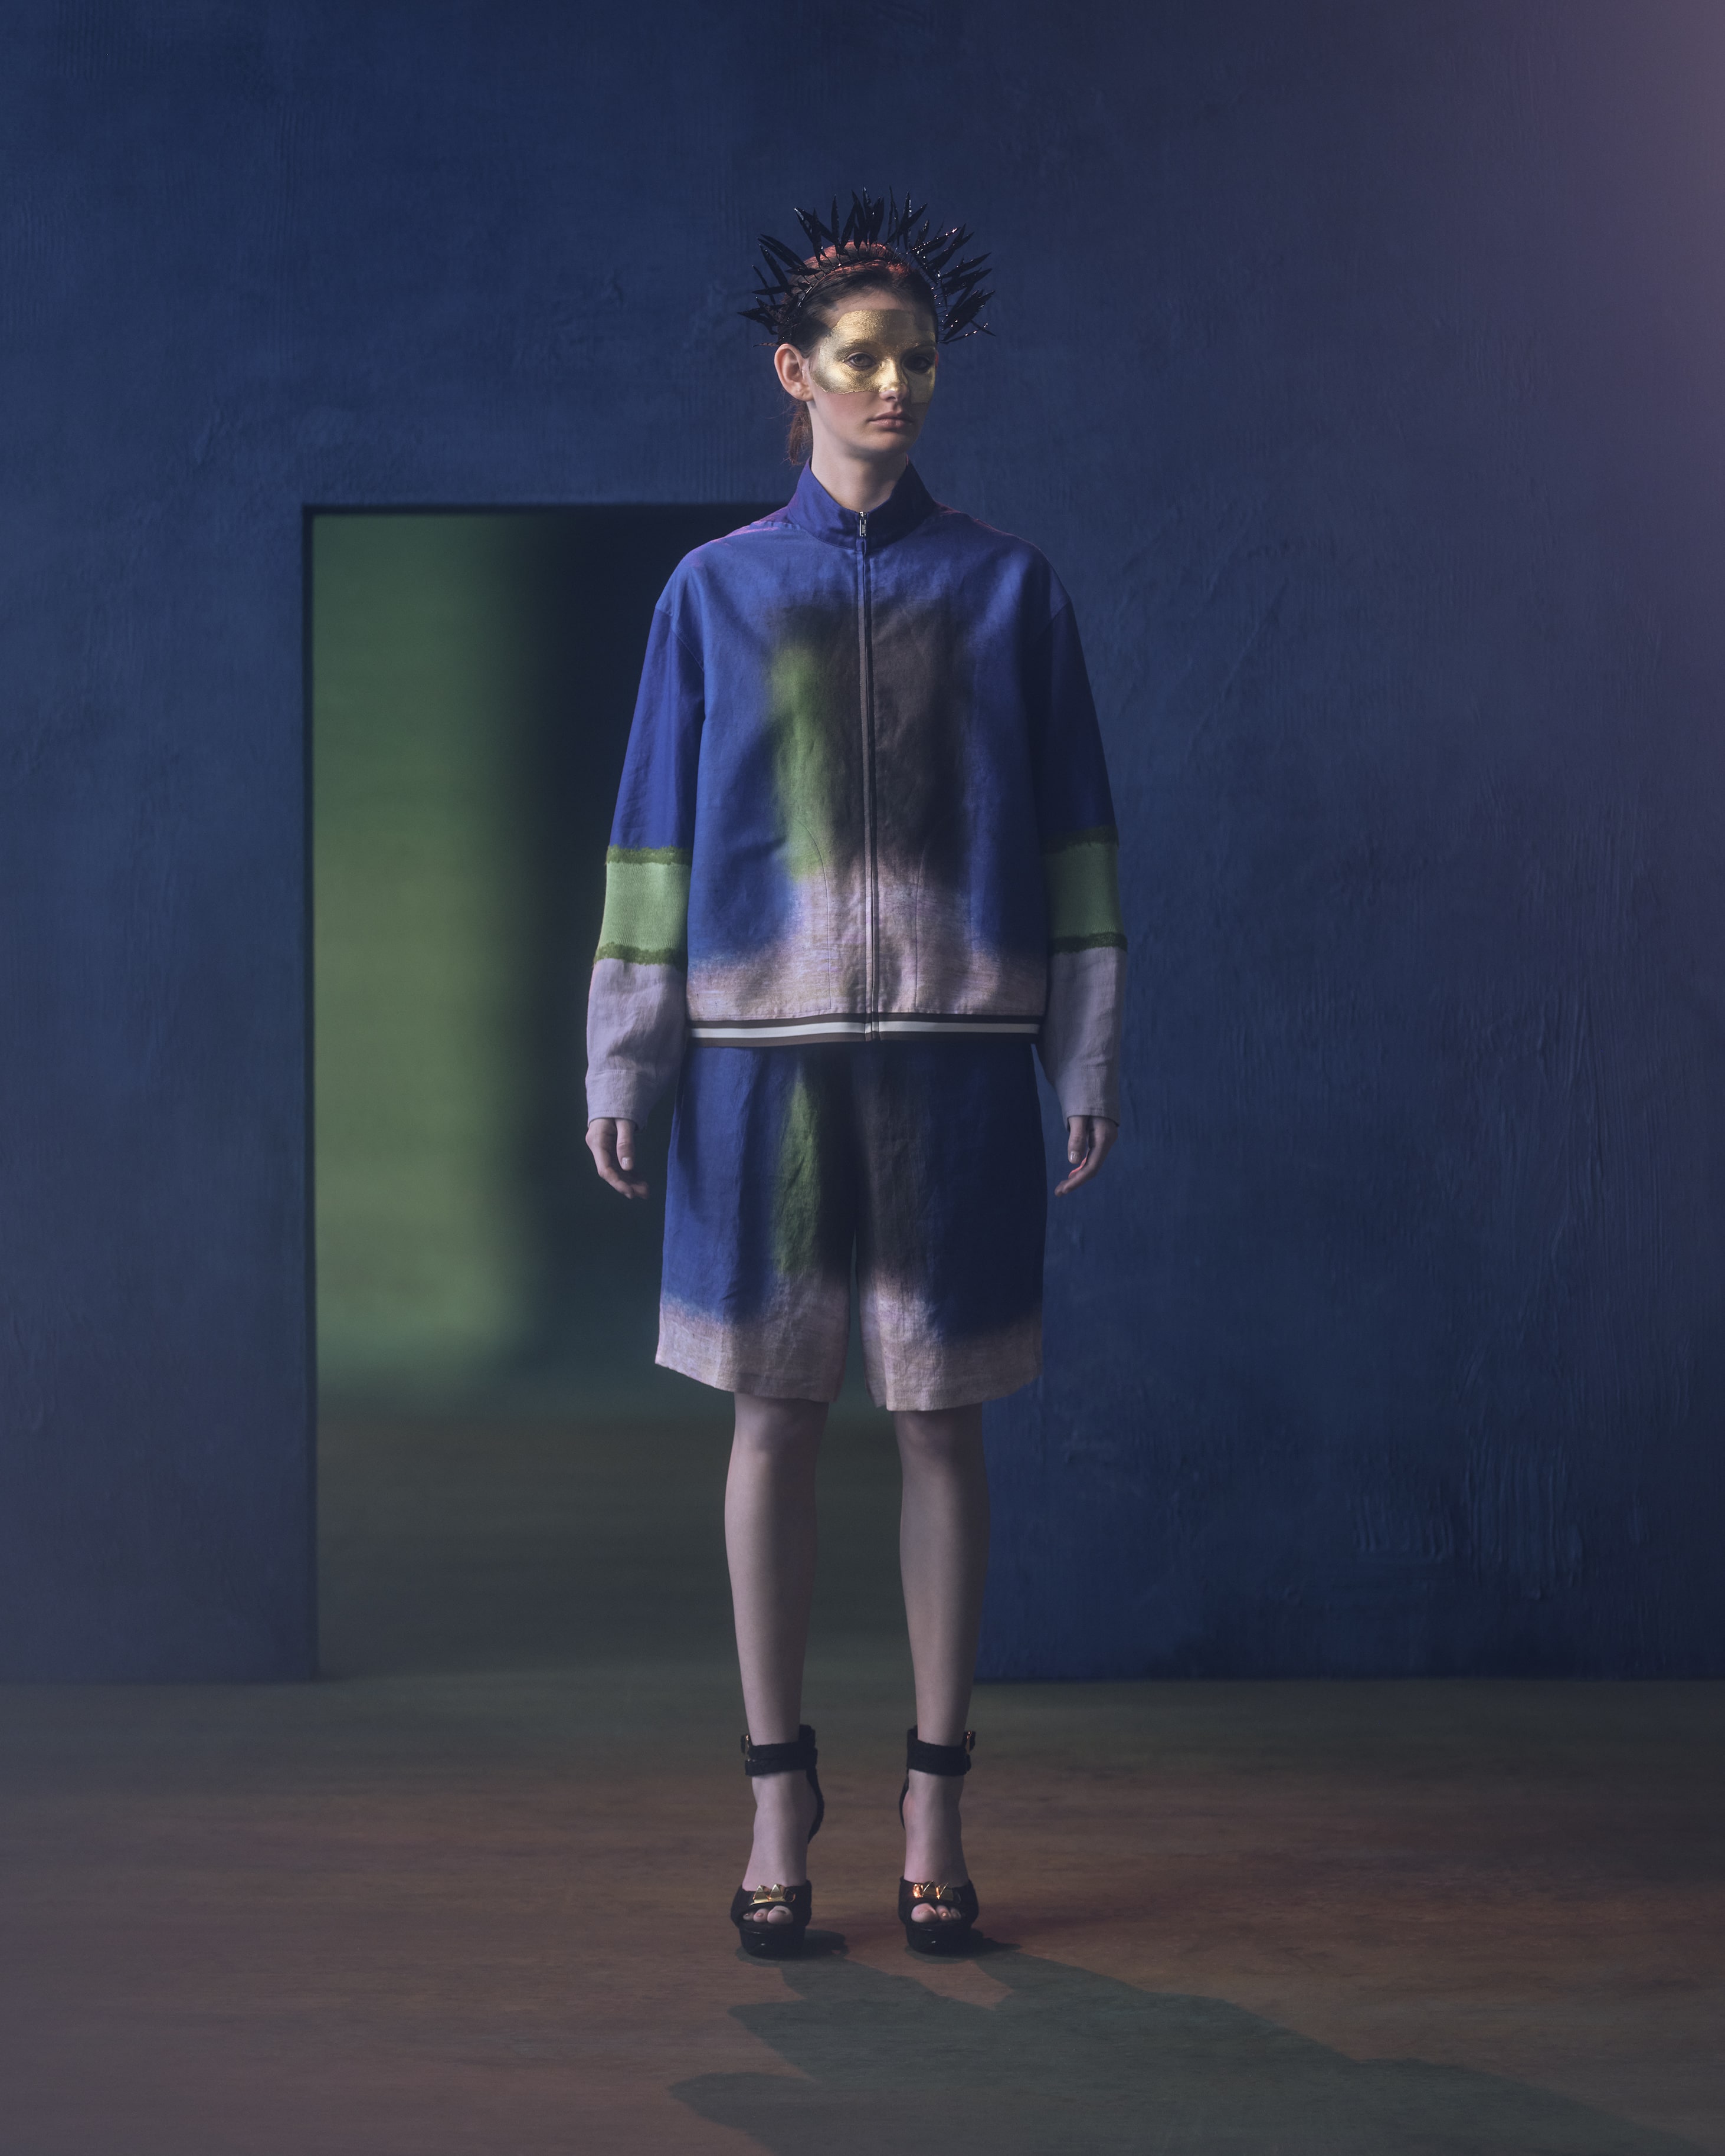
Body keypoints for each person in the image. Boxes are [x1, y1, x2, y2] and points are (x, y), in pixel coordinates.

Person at [584, 193, 1125, 1957]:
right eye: (865, 358)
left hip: (960, 1060)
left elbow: (1076, 839)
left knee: (942, 1423)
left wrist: (1084, 1046)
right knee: (773, 1418)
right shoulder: (714, 593)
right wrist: (625, 1053)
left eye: (920, 361)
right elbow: (653, 837)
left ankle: (934, 1803)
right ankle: (773, 1795)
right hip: (761, 1066)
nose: (896, 386)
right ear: (793, 371)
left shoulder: (1011, 588)